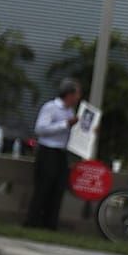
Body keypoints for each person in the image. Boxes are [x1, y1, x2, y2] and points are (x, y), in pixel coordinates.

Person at [26, 80, 80, 231]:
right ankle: (33, 221)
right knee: (43, 187)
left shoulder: (70, 111)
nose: (78, 97)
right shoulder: (51, 107)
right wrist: (65, 124)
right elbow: (41, 129)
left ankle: (50, 224)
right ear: (69, 95)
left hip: (61, 152)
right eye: (76, 94)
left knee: (58, 188)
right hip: (47, 150)